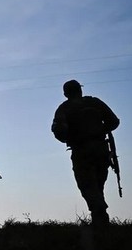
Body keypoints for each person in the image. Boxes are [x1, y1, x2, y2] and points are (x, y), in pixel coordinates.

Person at [51, 80, 120, 226]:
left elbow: (59, 132)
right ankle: (100, 220)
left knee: (87, 185)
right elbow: (114, 122)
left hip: (82, 151)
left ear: (65, 93)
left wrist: (73, 136)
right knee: (98, 184)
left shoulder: (64, 108)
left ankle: (99, 213)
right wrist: (99, 131)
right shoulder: (94, 103)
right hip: (101, 149)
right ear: (80, 90)